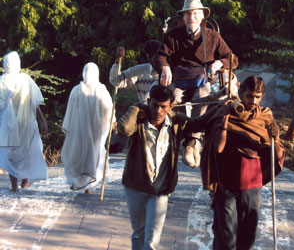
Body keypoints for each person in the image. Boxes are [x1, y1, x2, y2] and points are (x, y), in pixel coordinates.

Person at [118, 84, 224, 249]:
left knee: (152, 239)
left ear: (171, 106)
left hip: (160, 189)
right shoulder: (139, 120)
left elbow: (197, 124)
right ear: (148, 102)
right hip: (135, 186)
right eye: (154, 105)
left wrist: (220, 107)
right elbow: (124, 129)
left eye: (163, 107)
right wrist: (135, 107)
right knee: (138, 232)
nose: (158, 111)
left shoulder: (176, 121)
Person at [200, 76, 285, 250]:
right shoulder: (226, 111)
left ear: (262, 96)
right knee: (226, 237)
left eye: (257, 97)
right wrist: (224, 119)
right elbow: (218, 148)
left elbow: (277, 154)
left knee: (247, 237)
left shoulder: (266, 116)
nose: (253, 101)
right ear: (240, 93)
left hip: (252, 186)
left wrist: (275, 139)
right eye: (249, 96)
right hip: (226, 185)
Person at [154, 0, 239, 168]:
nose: (191, 18)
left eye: (194, 14)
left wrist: (220, 63)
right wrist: (165, 67)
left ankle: (193, 140)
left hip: (203, 79)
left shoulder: (212, 36)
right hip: (180, 79)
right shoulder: (173, 36)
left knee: (203, 95)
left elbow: (233, 59)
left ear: (201, 16)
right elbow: (160, 56)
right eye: (187, 14)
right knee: (172, 99)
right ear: (183, 18)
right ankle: (178, 137)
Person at [60, 62, 114, 194]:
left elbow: (109, 109)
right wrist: (113, 121)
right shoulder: (97, 90)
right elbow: (109, 110)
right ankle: (85, 186)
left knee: (83, 156)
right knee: (90, 156)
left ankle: (84, 185)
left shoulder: (79, 90)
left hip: (88, 132)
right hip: (91, 132)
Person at [0, 51, 48, 192]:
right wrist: (42, 120)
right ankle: (25, 181)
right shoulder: (26, 79)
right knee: (29, 150)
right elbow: (34, 103)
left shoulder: (2, 81)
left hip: (9, 125)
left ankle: (14, 186)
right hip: (27, 123)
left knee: (11, 154)